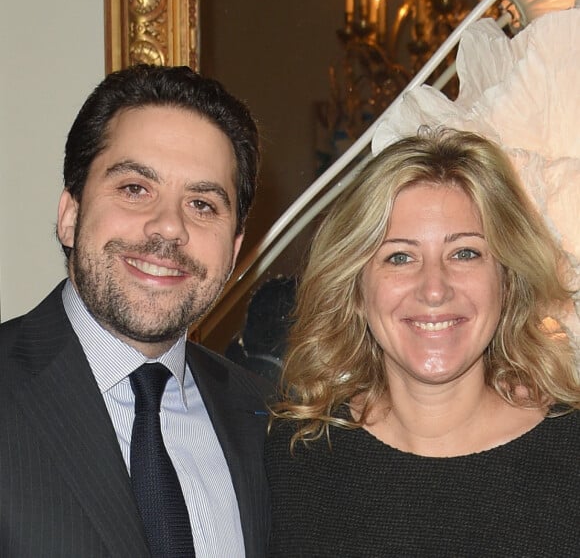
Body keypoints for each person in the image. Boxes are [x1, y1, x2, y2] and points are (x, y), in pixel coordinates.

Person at [265, 128, 580, 557]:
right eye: (400, 257)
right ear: (356, 289)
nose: (434, 289)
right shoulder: (293, 456)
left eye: (465, 253)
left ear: (507, 280)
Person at [0, 64, 272, 558]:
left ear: (233, 252)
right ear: (70, 215)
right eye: (134, 189)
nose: (168, 228)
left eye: (202, 204)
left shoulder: (270, 421)